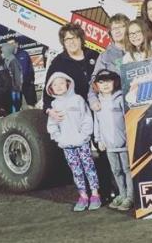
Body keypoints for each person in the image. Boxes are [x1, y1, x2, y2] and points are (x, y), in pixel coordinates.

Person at [43, 23, 114, 202]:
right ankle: (88, 193)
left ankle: (110, 190)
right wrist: (49, 110)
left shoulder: (93, 55)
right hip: (76, 116)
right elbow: (47, 92)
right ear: (63, 42)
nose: (72, 42)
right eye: (67, 39)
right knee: (83, 158)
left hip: (97, 110)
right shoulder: (58, 62)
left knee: (105, 149)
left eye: (75, 38)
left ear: (81, 38)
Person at [46, 72, 101, 212]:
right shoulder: (54, 105)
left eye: (61, 83)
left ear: (68, 84)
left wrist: (84, 136)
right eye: (55, 84)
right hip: (67, 145)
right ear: (50, 88)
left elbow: (87, 118)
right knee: (76, 171)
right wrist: (59, 139)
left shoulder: (78, 100)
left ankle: (95, 194)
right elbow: (52, 126)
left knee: (89, 168)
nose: (58, 86)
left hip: (82, 143)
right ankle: (83, 196)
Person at [92, 69, 133, 211]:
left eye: (108, 81)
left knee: (127, 169)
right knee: (116, 171)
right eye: (101, 82)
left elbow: (128, 118)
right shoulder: (97, 103)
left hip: (124, 143)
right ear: (96, 85)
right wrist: (98, 140)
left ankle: (130, 196)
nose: (105, 85)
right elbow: (96, 122)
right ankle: (122, 194)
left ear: (114, 82)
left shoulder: (121, 98)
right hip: (108, 145)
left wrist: (129, 137)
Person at [88, 13, 130, 112]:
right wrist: (93, 100)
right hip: (114, 106)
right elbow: (94, 81)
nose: (117, 31)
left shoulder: (138, 50)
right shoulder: (104, 56)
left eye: (121, 26)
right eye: (114, 28)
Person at [7, 38, 37, 108]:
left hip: (27, 84)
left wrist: (31, 80)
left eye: (12, 43)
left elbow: (30, 68)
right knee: (17, 107)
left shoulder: (24, 54)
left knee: (31, 105)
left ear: (16, 44)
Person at [1, 43, 23, 113]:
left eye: (3, 51)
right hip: (11, 87)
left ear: (7, 51)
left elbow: (17, 74)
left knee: (15, 105)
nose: (2, 53)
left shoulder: (13, 61)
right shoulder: (7, 60)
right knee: (12, 105)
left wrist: (17, 86)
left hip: (14, 88)